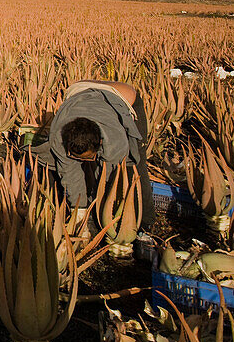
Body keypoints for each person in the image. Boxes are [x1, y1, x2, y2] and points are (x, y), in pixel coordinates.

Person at [30, 80, 154, 230]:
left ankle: (145, 223)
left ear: (100, 143)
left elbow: (109, 178)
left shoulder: (115, 140)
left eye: (89, 157)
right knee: (63, 166)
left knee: (135, 164)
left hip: (125, 98)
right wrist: (80, 210)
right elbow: (68, 172)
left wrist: (101, 207)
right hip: (81, 93)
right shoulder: (58, 136)